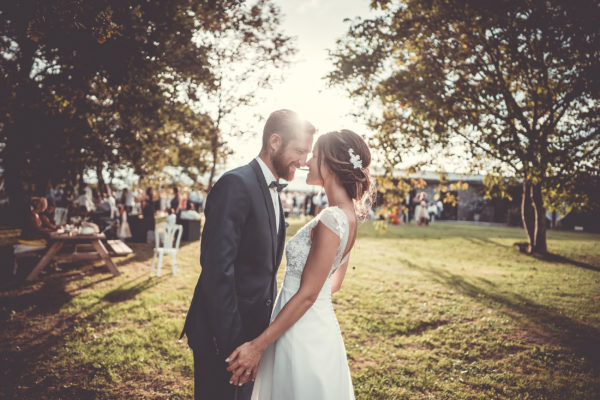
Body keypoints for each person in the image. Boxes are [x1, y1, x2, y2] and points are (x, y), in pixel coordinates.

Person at [226, 129, 373, 400]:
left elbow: (308, 294)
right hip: (318, 326)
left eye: (314, 155)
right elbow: (333, 284)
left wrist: (258, 346)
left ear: (329, 163)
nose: (307, 161)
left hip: (301, 334)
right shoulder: (349, 215)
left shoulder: (331, 218)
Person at [180, 109, 315, 400]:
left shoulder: (273, 191)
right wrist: (236, 346)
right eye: (300, 151)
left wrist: (258, 342)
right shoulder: (236, 184)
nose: (304, 162)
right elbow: (217, 270)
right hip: (224, 337)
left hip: (252, 336)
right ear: (275, 142)